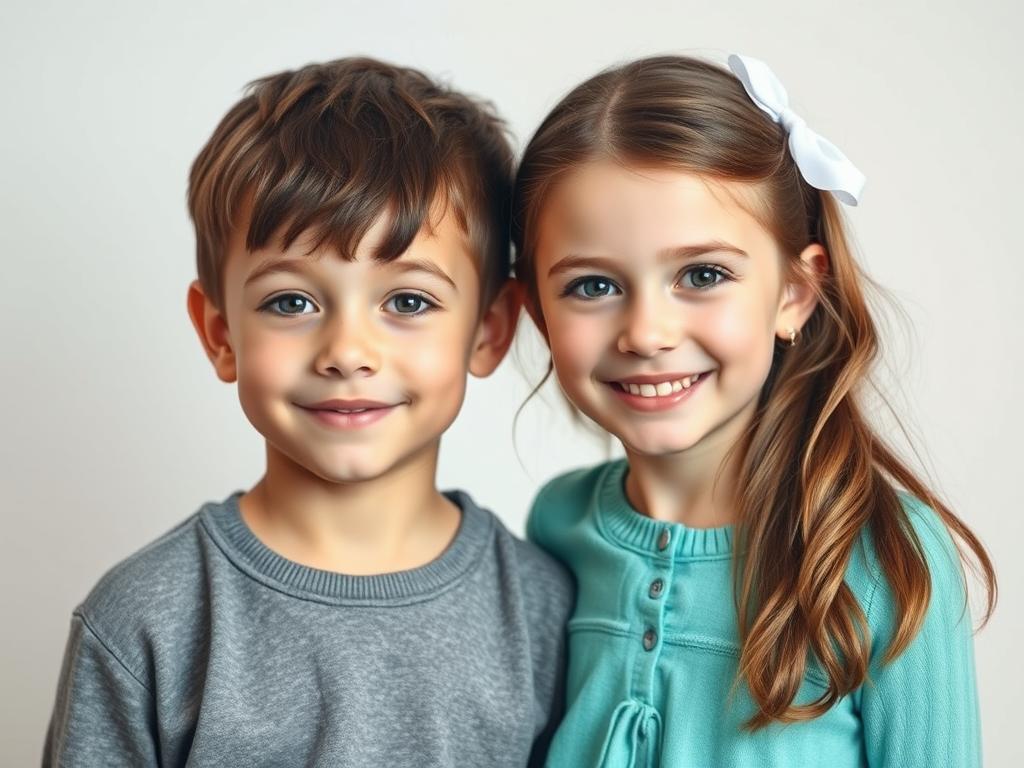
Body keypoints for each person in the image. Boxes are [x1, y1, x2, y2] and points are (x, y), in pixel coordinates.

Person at [44, 57, 572, 767]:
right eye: (291, 302)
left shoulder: (545, 613)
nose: (347, 352)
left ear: (490, 330)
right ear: (221, 333)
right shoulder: (146, 619)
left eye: (408, 301)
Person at [511, 53, 995, 767]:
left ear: (794, 293)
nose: (646, 333)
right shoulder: (558, 526)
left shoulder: (885, 557)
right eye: (591, 286)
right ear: (536, 313)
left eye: (702, 275)